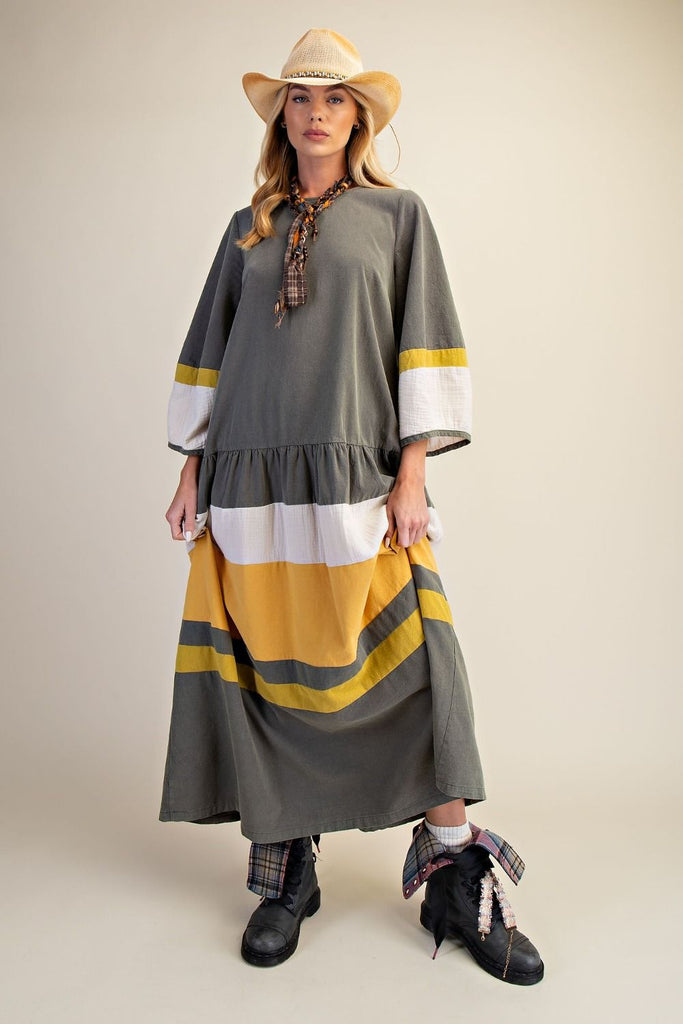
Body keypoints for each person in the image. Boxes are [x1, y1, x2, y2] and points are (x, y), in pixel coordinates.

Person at [159, 28, 544, 985]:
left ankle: (453, 872)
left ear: (358, 116)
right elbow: (211, 348)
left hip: (354, 474)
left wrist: (411, 471)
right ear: (282, 115)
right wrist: (192, 466)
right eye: (300, 97)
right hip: (249, 477)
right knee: (268, 672)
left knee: (420, 668)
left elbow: (423, 341)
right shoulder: (247, 227)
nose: (316, 112)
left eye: (333, 98)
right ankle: (288, 872)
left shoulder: (398, 216)